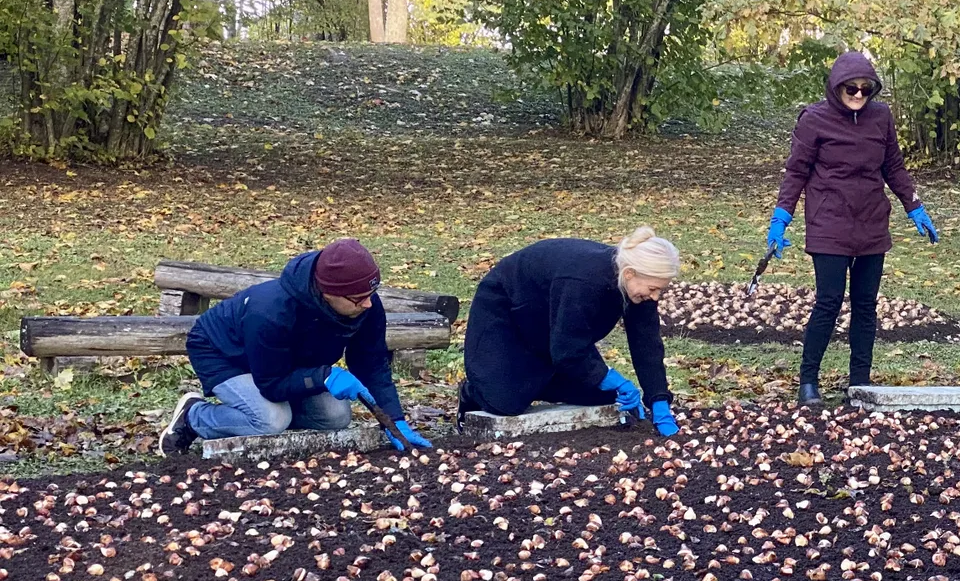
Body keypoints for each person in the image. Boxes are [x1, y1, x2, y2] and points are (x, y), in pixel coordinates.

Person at [765, 51, 938, 408]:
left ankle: (859, 382)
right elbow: (796, 172)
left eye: (865, 89)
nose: (859, 95)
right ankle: (808, 380)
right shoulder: (814, 119)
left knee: (865, 305)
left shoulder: (881, 117)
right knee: (828, 302)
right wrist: (782, 217)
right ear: (836, 87)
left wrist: (914, 206)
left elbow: (894, 166)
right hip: (829, 222)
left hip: (872, 221)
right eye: (852, 88)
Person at [159, 239, 431, 455]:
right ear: (329, 293)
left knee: (335, 416)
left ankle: (271, 413)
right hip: (224, 353)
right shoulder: (271, 311)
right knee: (269, 420)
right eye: (359, 299)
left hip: (284, 362)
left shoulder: (364, 303)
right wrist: (323, 376)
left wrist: (394, 421)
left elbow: (371, 362)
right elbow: (271, 383)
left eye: (371, 294)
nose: (368, 304)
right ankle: (195, 416)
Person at [457, 227, 682, 437]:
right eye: (653, 289)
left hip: (553, 325)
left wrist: (658, 399)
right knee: (504, 402)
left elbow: (646, 343)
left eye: (660, 290)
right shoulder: (584, 281)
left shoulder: (638, 290)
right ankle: (474, 390)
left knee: (604, 396)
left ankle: (537, 383)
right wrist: (611, 377)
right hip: (508, 311)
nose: (655, 297)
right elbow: (568, 348)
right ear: (630, 273)